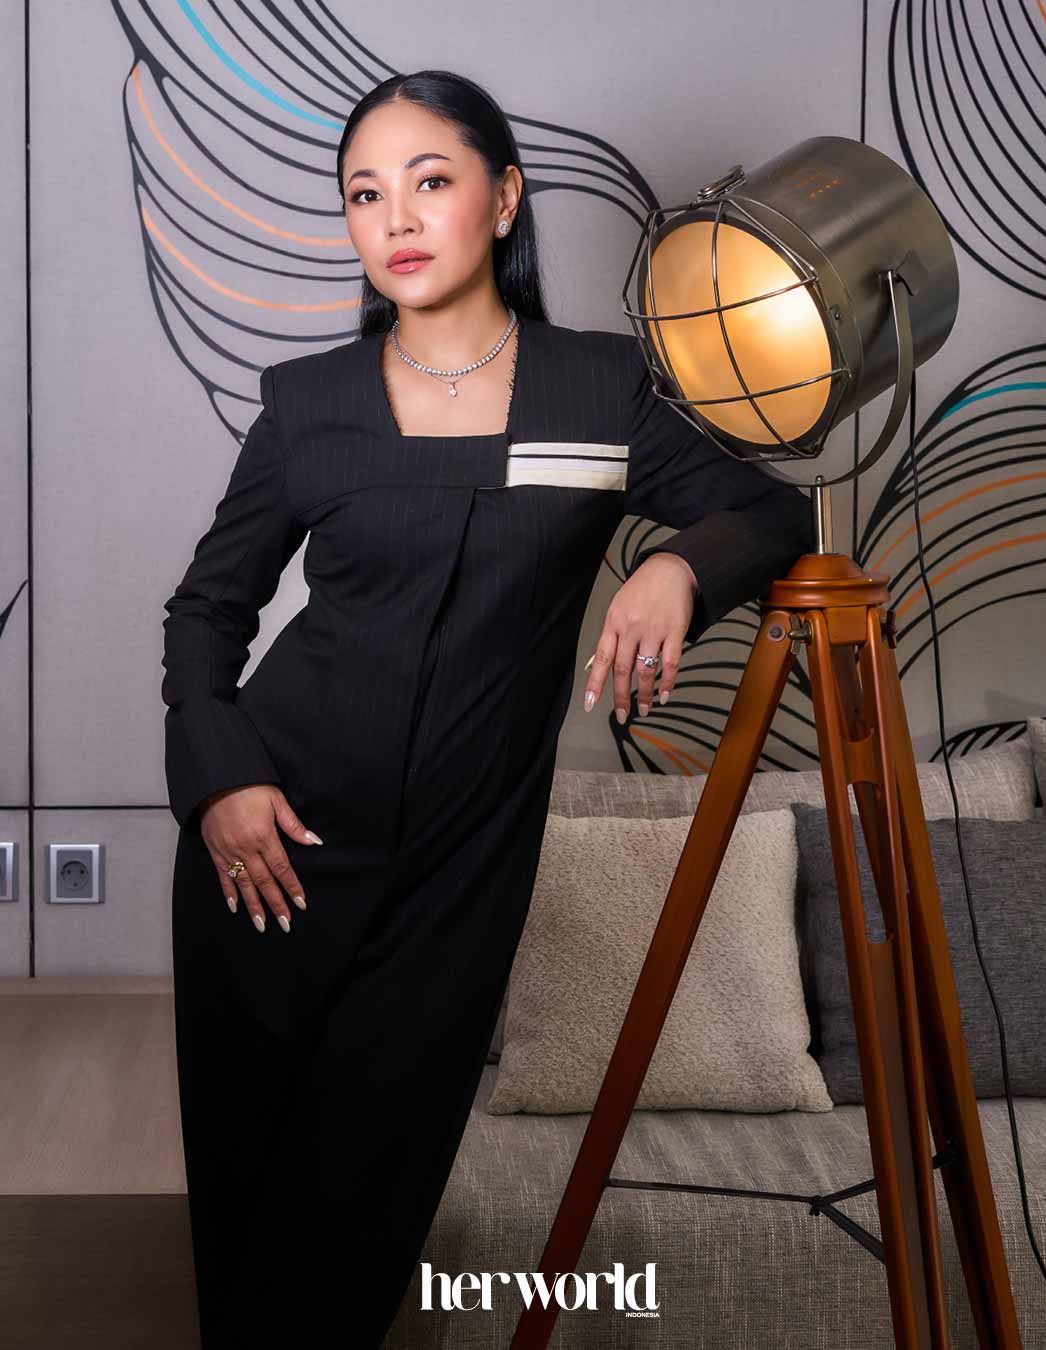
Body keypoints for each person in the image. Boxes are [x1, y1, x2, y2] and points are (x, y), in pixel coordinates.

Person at [164, 69, 813, 1348]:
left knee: (362, 1204)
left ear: (504, 199)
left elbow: (771, 511)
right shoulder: (307, 403)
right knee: (248, 1210)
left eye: (430, 181)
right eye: (365, 194)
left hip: (458, 876)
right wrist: (221, 778)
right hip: (271, 849)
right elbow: (205, 613)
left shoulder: (599, 389)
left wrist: (677, 569)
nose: (396, 217)